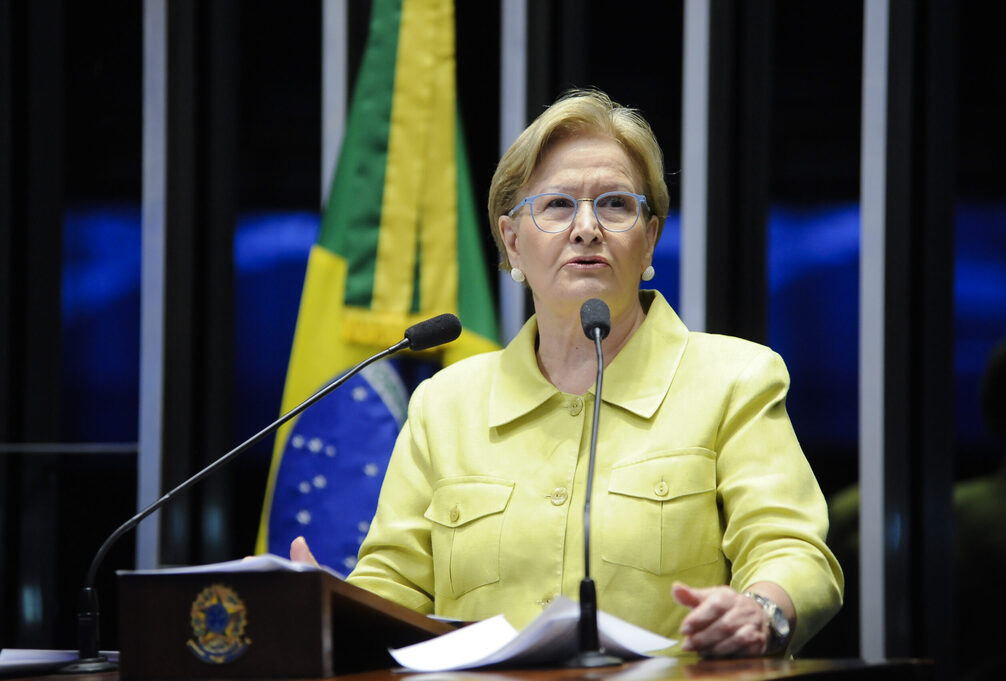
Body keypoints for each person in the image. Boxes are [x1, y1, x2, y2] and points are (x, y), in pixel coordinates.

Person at [291, 89, 843, 658]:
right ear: (512, 243)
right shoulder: (444, 405)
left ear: (649, 238)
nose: (586, 228)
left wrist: (761, 610)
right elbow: (393, 588)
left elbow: (792, 551)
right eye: (556, 206)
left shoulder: (735, 379)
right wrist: (330, 609)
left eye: (615, 204)